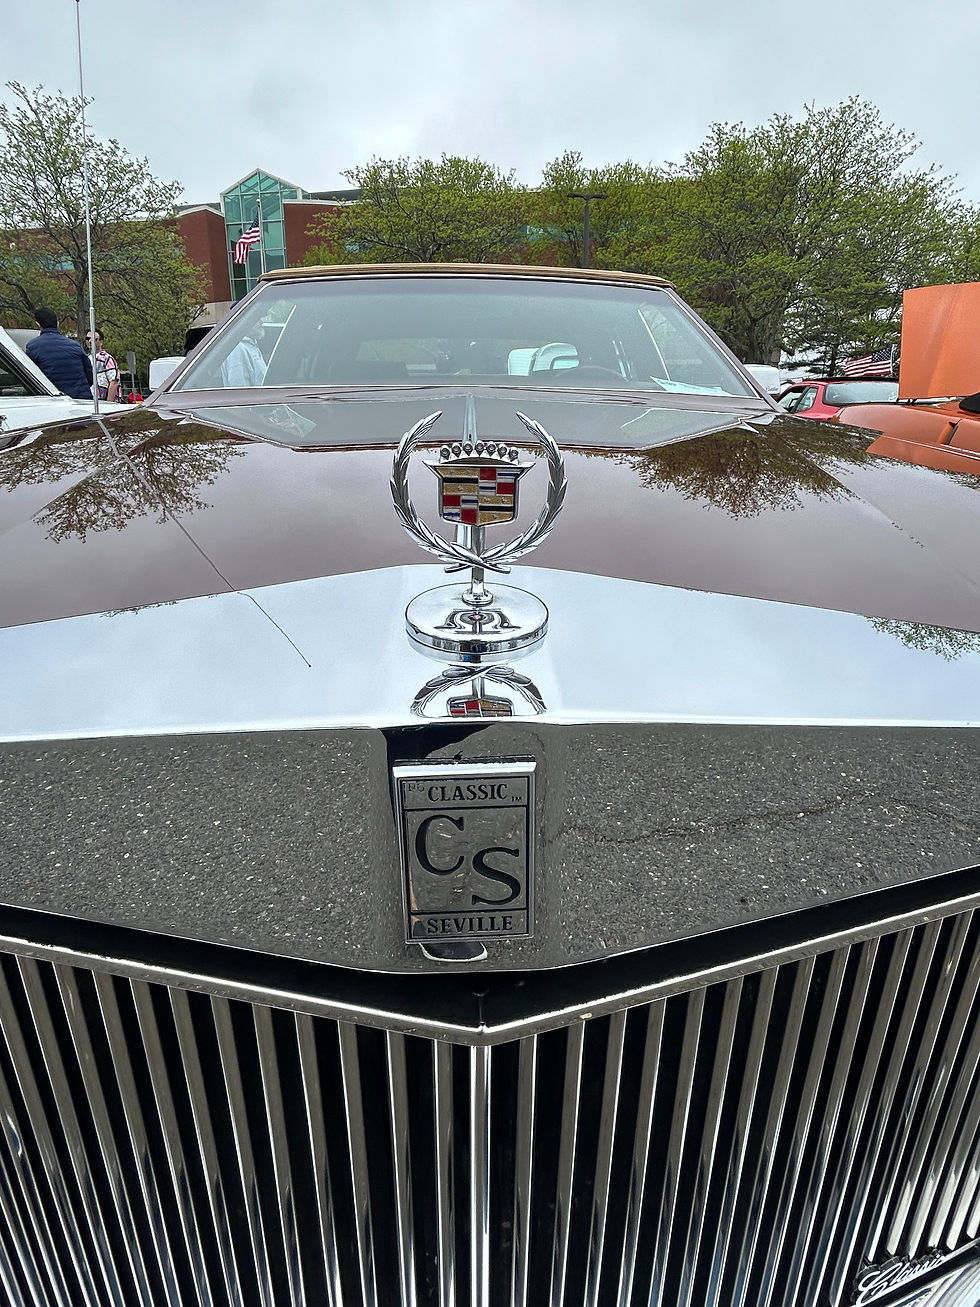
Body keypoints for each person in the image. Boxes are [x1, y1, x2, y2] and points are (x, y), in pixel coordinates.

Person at [24, 307, 93, 400]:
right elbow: (89, 375)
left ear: (38, 324)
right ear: (57, 324)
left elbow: (29, 377)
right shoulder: (75, 346)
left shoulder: (33, 347)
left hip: (54, 401)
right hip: (82, 399)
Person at [84, 328, 120, 402]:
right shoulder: (85, 358)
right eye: (88, 338)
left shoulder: (107, 359)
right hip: (89, 401)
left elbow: (114, 382)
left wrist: (109, 403)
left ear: (101, 342)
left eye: (94, 339)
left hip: (104, 404)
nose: (90, 341)